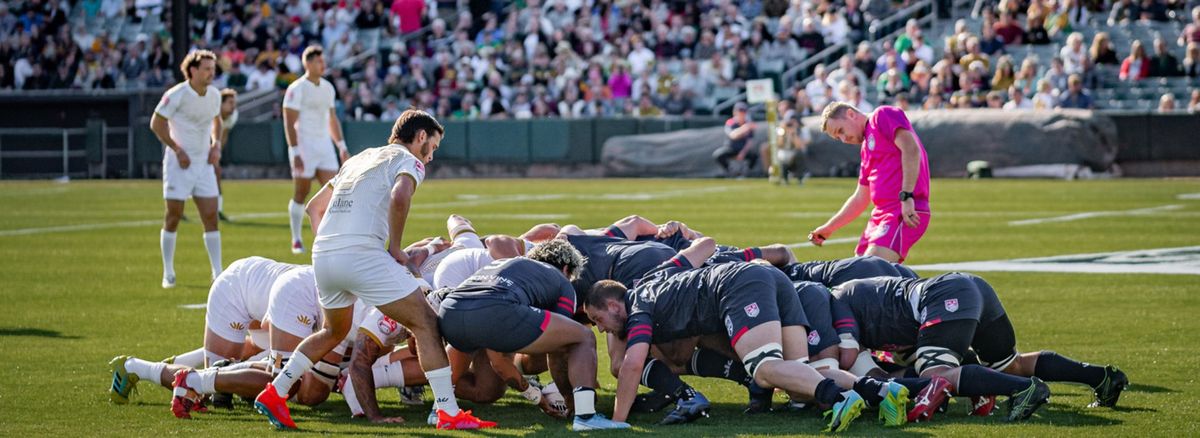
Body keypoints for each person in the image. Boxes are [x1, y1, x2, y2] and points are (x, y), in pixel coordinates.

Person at [253, 110, 494, 430]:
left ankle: (275, 392)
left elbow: (315, 207)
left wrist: (331, 246)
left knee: (333, 332)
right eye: (432, 146)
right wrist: (395, 248)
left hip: (324, 255)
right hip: (361, 255)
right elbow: (400, 196)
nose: (431, 156)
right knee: (425, 323)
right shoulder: (409, 160)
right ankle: (448, 412)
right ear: (420, 136)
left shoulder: (358, 158)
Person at [584, 260, 908, 432]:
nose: (600, 330)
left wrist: (617, 421)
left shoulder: (639, 305)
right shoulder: (652, 290)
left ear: (613, 306)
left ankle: (837, 397)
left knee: (765, 370)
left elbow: (631, 364)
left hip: (741, 284)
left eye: (598, 320)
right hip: (767, 278)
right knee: (799, 381)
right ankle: (881, 390)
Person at [830, 272, 1128, 422]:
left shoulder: (834, 300)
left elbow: (853, 359)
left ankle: (1024, 389)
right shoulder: (853, 296)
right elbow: (906, 346)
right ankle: (1101, 377)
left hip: (944, 295)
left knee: (938, 376)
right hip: (968, 287)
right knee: (1010, 364)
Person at [436, 241, 631, 430]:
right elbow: (561, 344)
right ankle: (586, 415)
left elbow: (499, 360)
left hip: (451, 309)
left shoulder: (508, 265)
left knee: (477, 368)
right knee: (583, 336)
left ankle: (440, 409)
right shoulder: (561, 280)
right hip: (497, 310)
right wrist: (569, 397)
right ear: (566, 269)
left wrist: (534, 395)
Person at [810, 102, 932, 263]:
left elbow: (911, 149)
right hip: (879, 218)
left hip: (900, 211)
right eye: (837, 138)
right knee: (856, 274)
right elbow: (861, 197)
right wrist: (829, 227)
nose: (843, 139)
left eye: (841, 131)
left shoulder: (882, 115)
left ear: (851, 114)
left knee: (869, 271)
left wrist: (907, 196)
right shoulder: (866, 147)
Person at [150, 50, 224, 288]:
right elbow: (156, 123)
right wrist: (177, 149)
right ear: (192, 70)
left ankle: (218, 272)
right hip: (178, 164)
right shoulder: (177, 94)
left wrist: (216, 145)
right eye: (206, 68)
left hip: (203, 164)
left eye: (213, 69)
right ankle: (168, 272)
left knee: (211, 217)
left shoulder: (214, 95)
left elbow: (217, 121)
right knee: (173, 217)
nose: (211, 73)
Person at [282, 46, 349, 254]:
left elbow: (331, 119)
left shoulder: (328, 88)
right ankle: (296, 238)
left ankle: (332, 239)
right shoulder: (296, 88)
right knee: (301, 193)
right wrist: (295, 152)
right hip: (304, 147)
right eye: (319, 61)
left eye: (323, 61)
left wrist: (341, 146)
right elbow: (289, 121)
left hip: (324, 147)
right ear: (308, 64)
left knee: (335, 194)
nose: (323, 65)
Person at [713, 102, 758, 177]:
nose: (741, 114)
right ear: (735, 112)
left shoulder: (747, 123)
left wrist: (743, 152)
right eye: (739, 111)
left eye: (743, 111)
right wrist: (745, 127)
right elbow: (733, 135)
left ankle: (746, 173)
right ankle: (730, 171)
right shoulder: (731, 122)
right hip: (731, 148)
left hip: (742, 149)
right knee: (718, 155)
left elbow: (749, 141)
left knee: (754, 156)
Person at [216, 88, 238, 221]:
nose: (233, 106)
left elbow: (223, 135)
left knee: (216, 174)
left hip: (210, 149)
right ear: (221, 104)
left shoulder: (233, 115)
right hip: (193, 147)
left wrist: (216, 153)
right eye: (230, 102)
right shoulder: (210, 113)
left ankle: (218, 210)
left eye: (234, 103)